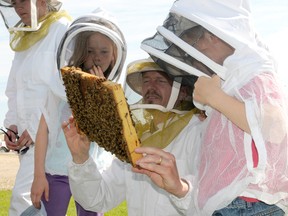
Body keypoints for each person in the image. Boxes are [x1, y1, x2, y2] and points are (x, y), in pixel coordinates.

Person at [141, 0, 288, 215]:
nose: (193, 53)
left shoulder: (255, 74)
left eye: (195, 43)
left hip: (251, 205)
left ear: (214, 35)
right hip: (229, 204)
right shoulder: (230, 86)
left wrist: (215, 97)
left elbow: (275, 128)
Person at [62, 58, 201, 216]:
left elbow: (211, 204)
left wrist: (179, 188)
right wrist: (80, 158)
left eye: (161, 80)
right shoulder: (136, 138)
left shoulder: (198, 132)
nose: (151, 87)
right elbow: (98, 199)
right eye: (146, 80)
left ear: (182, 91)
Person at [30, 8, 127, 216]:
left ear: (114, 56)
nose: (96, 58)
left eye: (104, 52)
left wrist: (98, 92)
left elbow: (106, 135)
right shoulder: (58, 86)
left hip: (92, 175)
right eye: (90, 51)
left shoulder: (114, 94)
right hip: (56, 172)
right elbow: (43, 131)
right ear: (81, 50)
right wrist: (39, 175)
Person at [0, 0, 71, 215]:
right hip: (24, 139)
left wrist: (36, 128)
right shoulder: (25, 38)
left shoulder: (63, 31)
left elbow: (63, 90)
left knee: (22, 203)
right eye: (13, 3)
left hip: (48, 138)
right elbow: (15, 88)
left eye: (22, 1)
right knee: (37, 205)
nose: (17, 8)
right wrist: (12, 123)